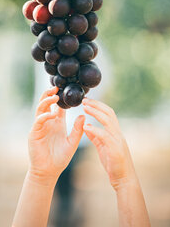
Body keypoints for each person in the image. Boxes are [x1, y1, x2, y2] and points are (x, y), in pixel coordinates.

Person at [12, 86, 151, 227]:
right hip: (75, 126)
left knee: (68, 182)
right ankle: (66, 212)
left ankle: (66, 212)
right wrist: (124, 182)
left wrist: (40, 177)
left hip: (76, 128)